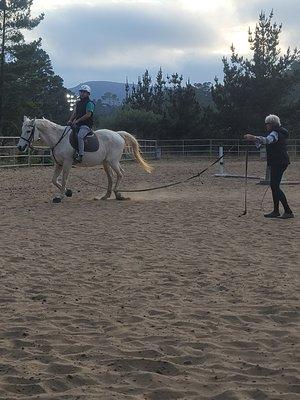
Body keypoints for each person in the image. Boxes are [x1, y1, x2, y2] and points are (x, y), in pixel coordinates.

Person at [244, 114, 294, 219]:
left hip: (278, 162)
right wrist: (254, 140)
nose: (266, 126)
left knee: (275, 186)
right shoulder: (278, 132)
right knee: (274, 186)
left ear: (271, 124)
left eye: (267, 124)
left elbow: (267, 140)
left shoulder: (275, 133)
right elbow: (266, 142)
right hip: (278, 162)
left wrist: (253, 137)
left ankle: (288, 211)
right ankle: (276, 211)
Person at [67, 84, 95, 163]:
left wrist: (77, 120)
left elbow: (88, 115)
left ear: (88, 94)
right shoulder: (78, 103)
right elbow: (75, 113)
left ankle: (81, 155)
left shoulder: (90, 103)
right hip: (77, 124)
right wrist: (70, 120)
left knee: (80, 136)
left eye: (84, 92)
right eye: (81, 92)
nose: (82, 93)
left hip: (86, 125)